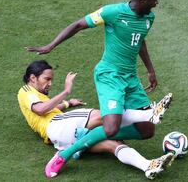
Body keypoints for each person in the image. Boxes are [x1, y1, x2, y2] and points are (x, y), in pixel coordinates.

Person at [26, 0, 168, 178]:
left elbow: (139, 40)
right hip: (109, 75)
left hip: (131, 78)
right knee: (110, 128)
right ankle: (65, 154)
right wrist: (51, 45)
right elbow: (78, 25)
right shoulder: (112, 12)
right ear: (141, 0)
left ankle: (100, 134)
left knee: (147, 131)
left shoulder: (148, 18)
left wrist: (150, 70)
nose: (156, 4)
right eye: (153, 0)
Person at [17, 60, 174, 179]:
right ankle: (149, 115)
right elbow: (40, 109)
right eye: (47, 79)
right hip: (58, 124)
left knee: (114, 144)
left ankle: (147, 166)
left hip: (60, 139)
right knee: (103, 116)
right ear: (32, 78)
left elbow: (47, 108)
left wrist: (67, 103)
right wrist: (66, 91)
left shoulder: (39, 96)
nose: (50, 84)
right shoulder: (26, 91)